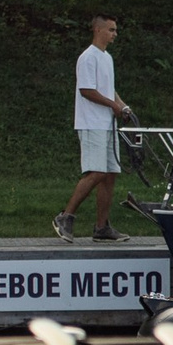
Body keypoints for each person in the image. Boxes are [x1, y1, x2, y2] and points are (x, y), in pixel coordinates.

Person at [55, 14, 137, 243]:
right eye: (111, 29)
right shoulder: (88, 57)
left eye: (115, 29)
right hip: (91, 123)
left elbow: (109, 89)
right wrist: (112, 105)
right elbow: (86, 90)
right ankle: (65, 216)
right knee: (97, 172)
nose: (115, 34)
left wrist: (123, 106)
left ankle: (102, 227)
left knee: (110, 175)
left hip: (107, 125)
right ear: (98, 30)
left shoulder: (107, 58)